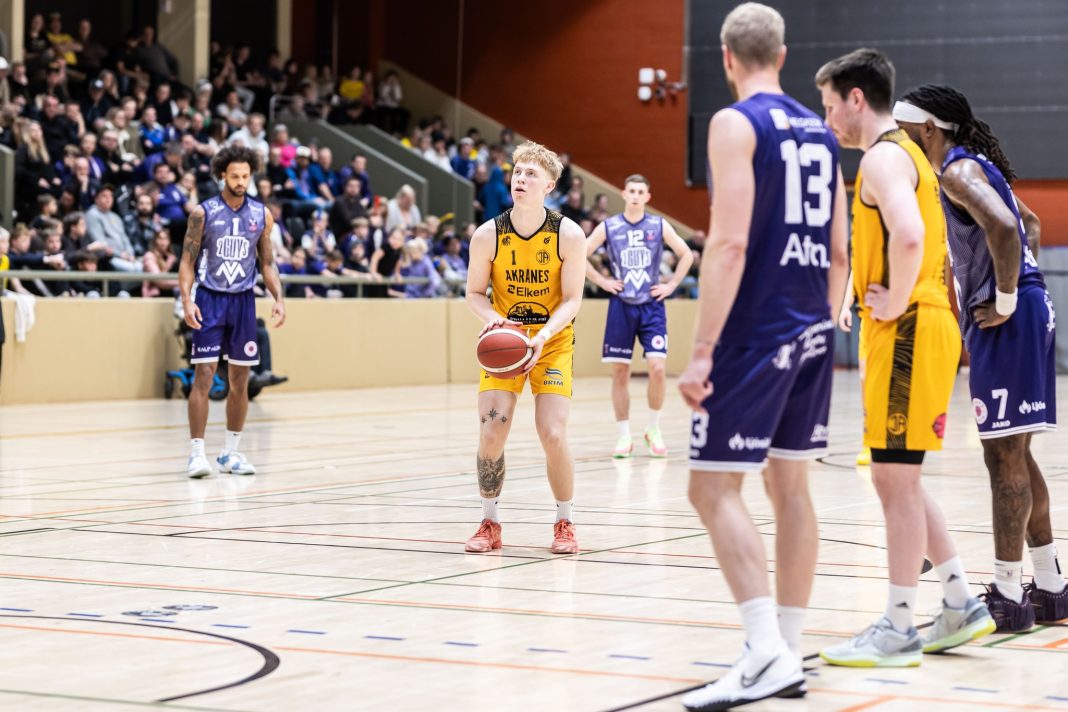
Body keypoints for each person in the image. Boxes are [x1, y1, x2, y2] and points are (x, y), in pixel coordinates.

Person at [675, 5, 848, 709]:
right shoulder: (823, 132)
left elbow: (729, 244)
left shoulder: (734, 123)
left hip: (755, 331)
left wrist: (701, 352)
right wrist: (821, 323)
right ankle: (786, 648)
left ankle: (765, 650)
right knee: (790, 489)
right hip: (812, 327)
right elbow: (840, 251)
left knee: (711, 489)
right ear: (781, 54)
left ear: (726, 57)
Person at [815, 49, 994, 667]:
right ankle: (960, 601)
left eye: (830, 105)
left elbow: (911, 236)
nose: (828, 119)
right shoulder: (910, 153)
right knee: (900, 477)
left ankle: (896, 626)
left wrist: (892, 299)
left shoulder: (883, 157)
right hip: (919, 326)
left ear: (856, 98)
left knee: (893, 479)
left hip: (909, 327)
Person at [895, 85, 1067, 630]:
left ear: (929, 129)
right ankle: (1052, 587)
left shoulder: (955, 172)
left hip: (1010, 318)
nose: (900, 139)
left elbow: (1006, 227)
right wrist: (1021, 288)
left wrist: (1007, 298)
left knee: (1003, 460)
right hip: (1026, 312)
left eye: (905, 130)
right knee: (1016, 454)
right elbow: (1030, 225)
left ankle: (1008, 594)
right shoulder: (975, 165)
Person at [463, 141, 585, 556]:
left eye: (531, 173)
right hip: (507, 340)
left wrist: (543, 336)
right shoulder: (488, 234)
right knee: (491, 431)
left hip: (551, 342)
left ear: (549, 185)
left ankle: (564, 521)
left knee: (553, 432)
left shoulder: (568, 235)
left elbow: (572, 300)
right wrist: (493, 320)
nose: (521, 178)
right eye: (517, 171)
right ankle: (490, 521)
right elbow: (474, 294)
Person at [178, 146, 286, 479]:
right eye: (235, 176)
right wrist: (187, 300)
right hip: (210, 299)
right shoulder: (203, 213)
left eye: (245, 176)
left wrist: (279, 298)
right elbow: (187, 261)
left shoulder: (261, 214)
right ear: (222, 175)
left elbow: (266, 263)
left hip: (243, 302)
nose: (241, 182)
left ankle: (231, 452)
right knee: (204, 375)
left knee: (241, 380)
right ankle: (197, 454)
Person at [585, 174, 692, 458]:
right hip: (621, 305)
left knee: (657, 369)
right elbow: (578, 253)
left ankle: (653, 429)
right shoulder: (609, 226)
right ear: (623, 194)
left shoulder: (658, 225)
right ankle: (624, 436)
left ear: (647, 197)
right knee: (621, 373)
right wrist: (602, 281)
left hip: (652, 305)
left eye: (640, 191)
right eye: (631, 190)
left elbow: (687, 255)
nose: (635, 195)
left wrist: (671, 285)